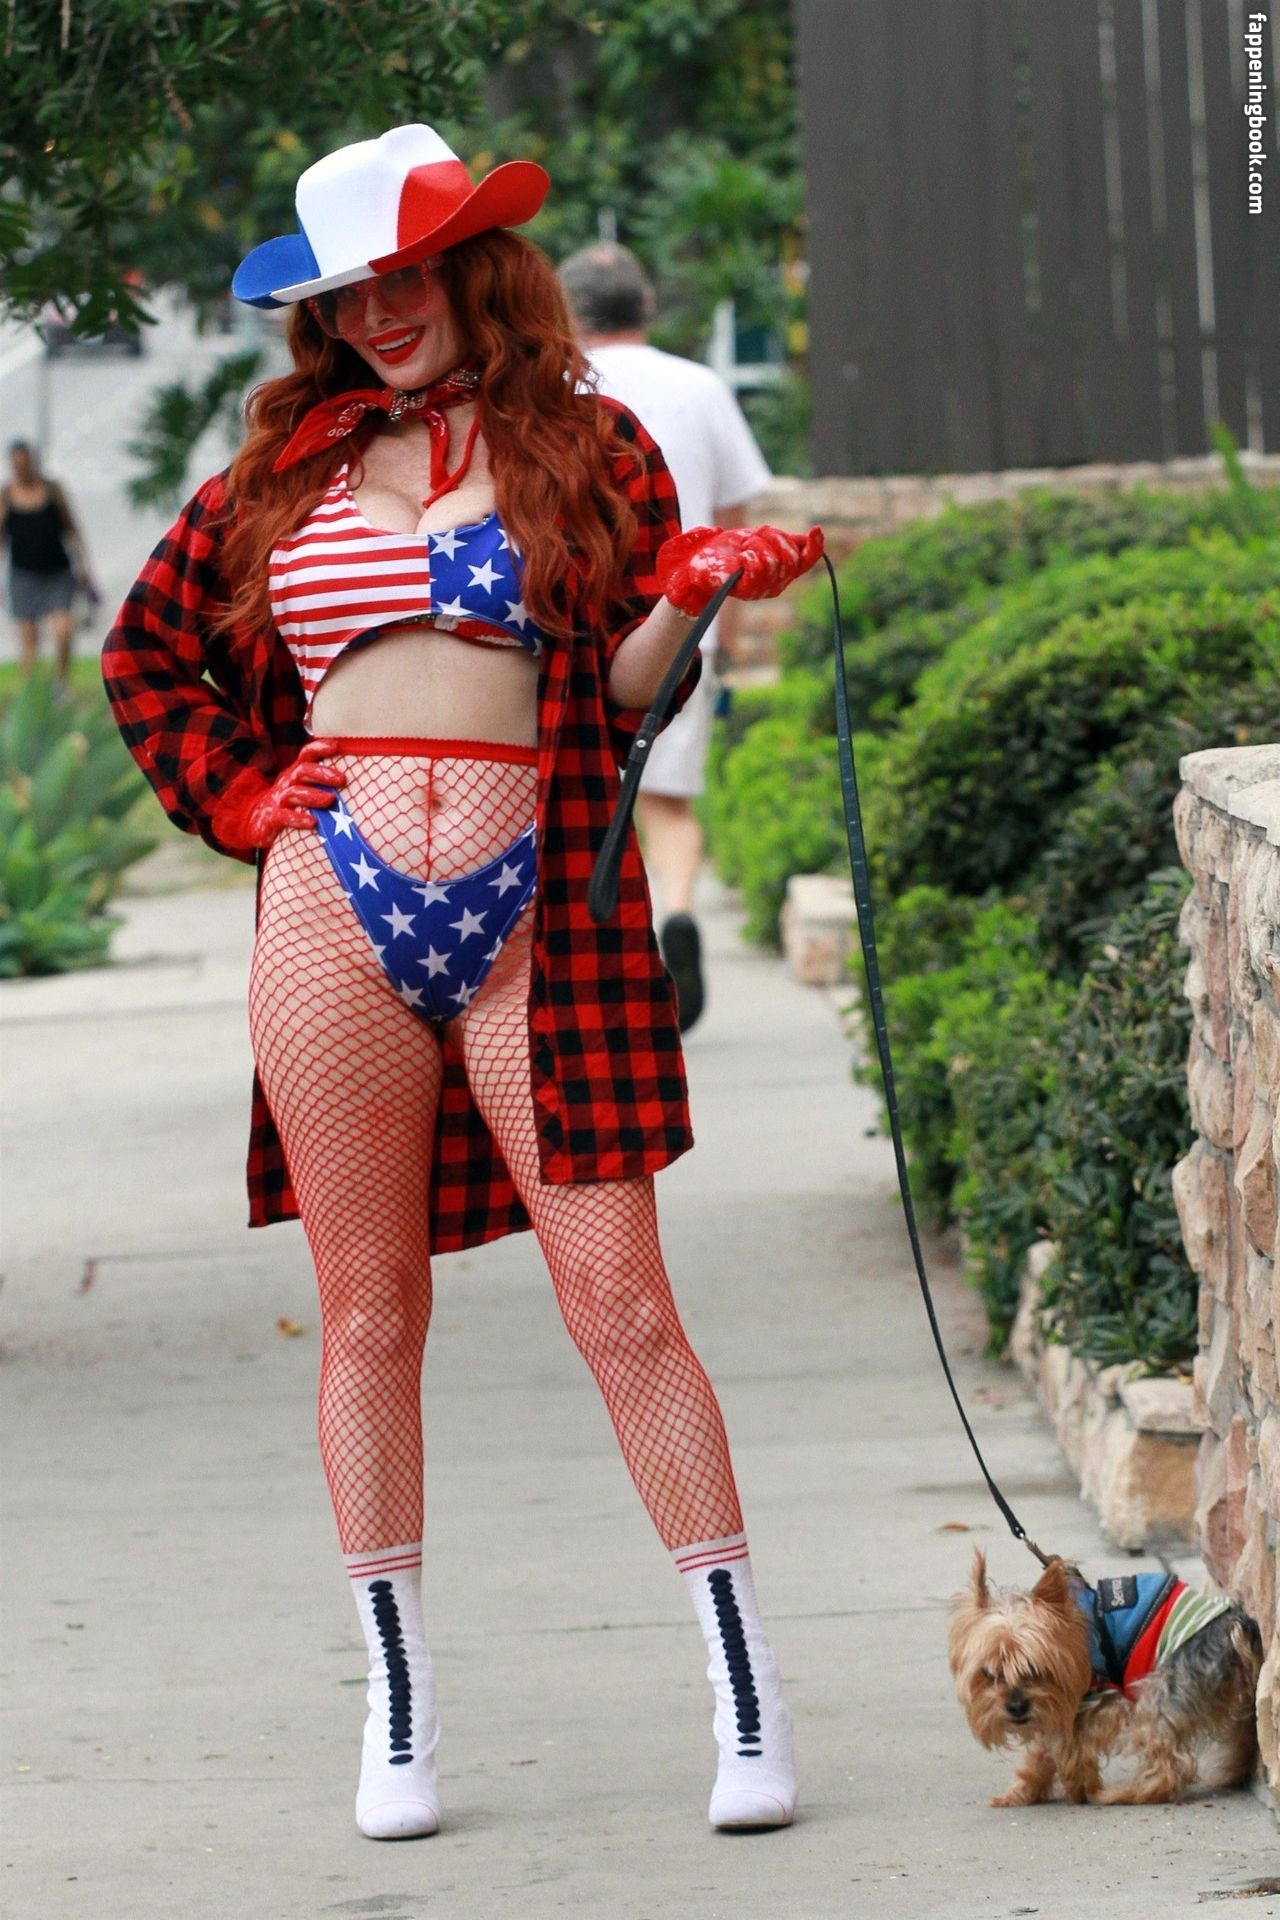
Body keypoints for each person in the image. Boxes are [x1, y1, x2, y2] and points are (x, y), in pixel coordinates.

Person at [102, 125, 821, 1843]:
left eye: (407, 277)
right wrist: (241, 800)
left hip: (536, 903)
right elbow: (146, 656)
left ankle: (744, 1688)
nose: (379, 315)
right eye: (349, 294)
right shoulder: (283, 472)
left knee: (623, 1301)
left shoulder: (586, 443)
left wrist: (696, 595)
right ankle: (399, 1707)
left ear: (475, 270)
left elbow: (629, 680)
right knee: (367, 1312)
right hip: (331, 901)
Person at [559, 243, 772, 1033]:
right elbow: (737, 516)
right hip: (683, 625)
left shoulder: (557, 387)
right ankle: (675, 911)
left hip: (579, 634)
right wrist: (731, 628)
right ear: (645, 306)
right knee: (668, 801)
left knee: (585, 804)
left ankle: (612, 957)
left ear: (568, 311)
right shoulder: (700, 385)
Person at [1, 440, 97, 685]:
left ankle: (60, 684)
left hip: (58, 572)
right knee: (29, 643)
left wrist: (84, 567)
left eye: (25, 464)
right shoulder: (6, 497)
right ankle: (31, 692)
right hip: (23, 575)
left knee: (64, 630)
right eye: (17, 466)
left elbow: (72, 530)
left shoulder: (53, 490)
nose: (22, 470)